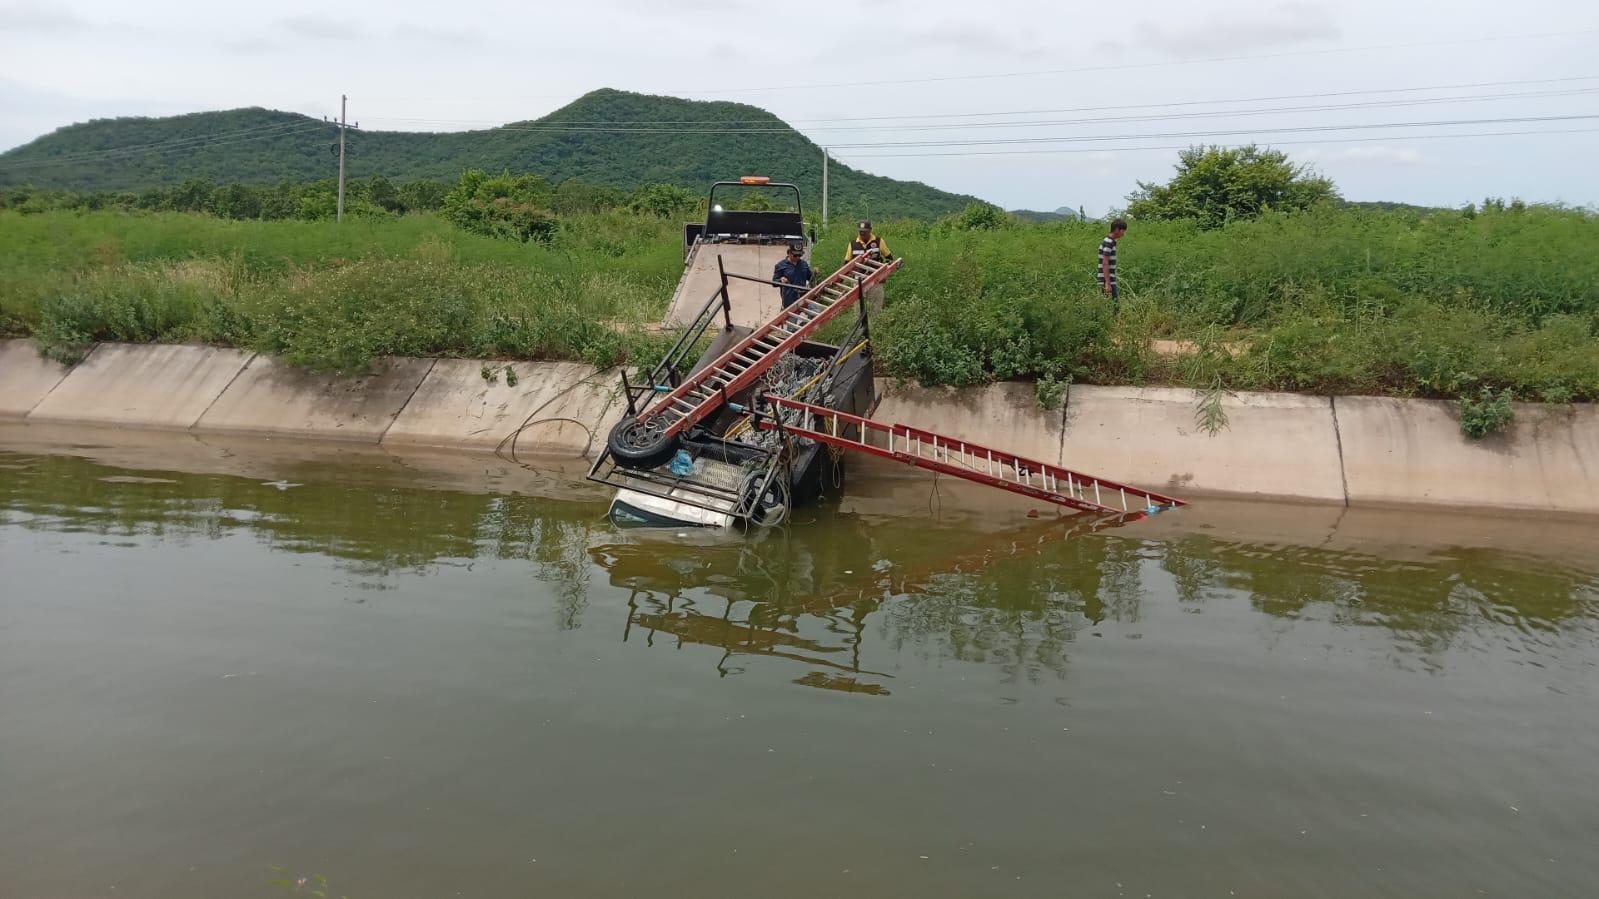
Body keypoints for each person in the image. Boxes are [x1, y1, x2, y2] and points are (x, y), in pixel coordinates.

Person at [773, 242, 812, 309]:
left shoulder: (804, 264)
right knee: (791, 319)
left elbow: (810, 277)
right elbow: (774, 283)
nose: (797, 257)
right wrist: (781, 280)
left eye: (799, 255)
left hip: (803, 297)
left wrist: (814, 274)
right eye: (795, 255)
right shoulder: (780, 265)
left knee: (815, 312)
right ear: (789, 253)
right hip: (789, 301)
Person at [1098, 218, 1126, 302]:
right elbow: (1105, 263)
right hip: (1107, 280)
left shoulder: (1110, 241)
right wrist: (1108, 283)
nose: (1124, 234)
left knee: (1110, 306)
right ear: (1117, 230)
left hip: (1108, 279)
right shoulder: (1109, 242)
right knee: (1114, 306)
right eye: (1123, 231)